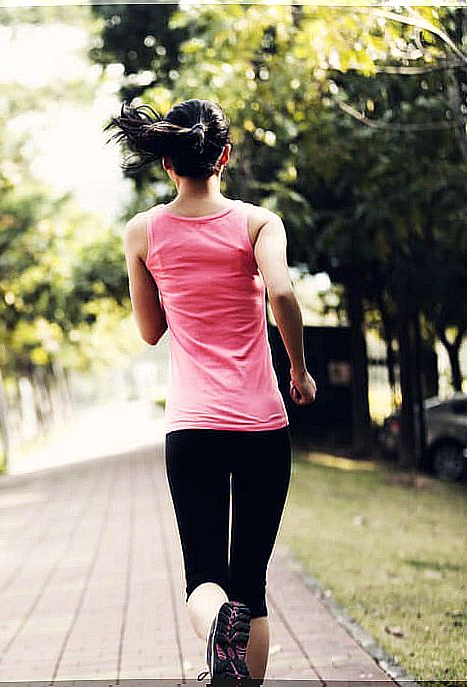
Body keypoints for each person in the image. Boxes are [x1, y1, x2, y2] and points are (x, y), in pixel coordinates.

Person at [105, 98, 317, 682]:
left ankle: (218, 621)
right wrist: (298, 369)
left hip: (193, 428)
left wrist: (178, 284)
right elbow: (283, 293)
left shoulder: (142, 232)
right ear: (225, 156)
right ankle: (237, 643)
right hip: (262, 426)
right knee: (252, 582)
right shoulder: (258, 223)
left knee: (204, 577)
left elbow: (150, 333)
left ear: (169, 164)